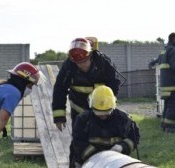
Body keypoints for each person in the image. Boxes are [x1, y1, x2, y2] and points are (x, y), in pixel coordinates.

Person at [51, 37, 122, 165]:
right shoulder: (69, 66)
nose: (82, 65)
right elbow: (59, 89)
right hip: (78, 111)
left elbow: (114, 86)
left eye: (84, 61)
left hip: (101, 112)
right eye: (78, 62)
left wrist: (107, 109)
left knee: (102, 140)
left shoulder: (103, 63)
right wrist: (59, 117)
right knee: (78, 143)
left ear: (90, 55)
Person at [71, 85, 140, 167]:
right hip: (88, 162)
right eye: (98, 113)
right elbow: (79, 144)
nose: (103, 116)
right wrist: (102, 157)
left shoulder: (123, 119)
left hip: (116, 162)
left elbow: (134, 138)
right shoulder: (83, 120)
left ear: (113, 106)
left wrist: (122, 147)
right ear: (92, 107)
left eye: (106, 113)